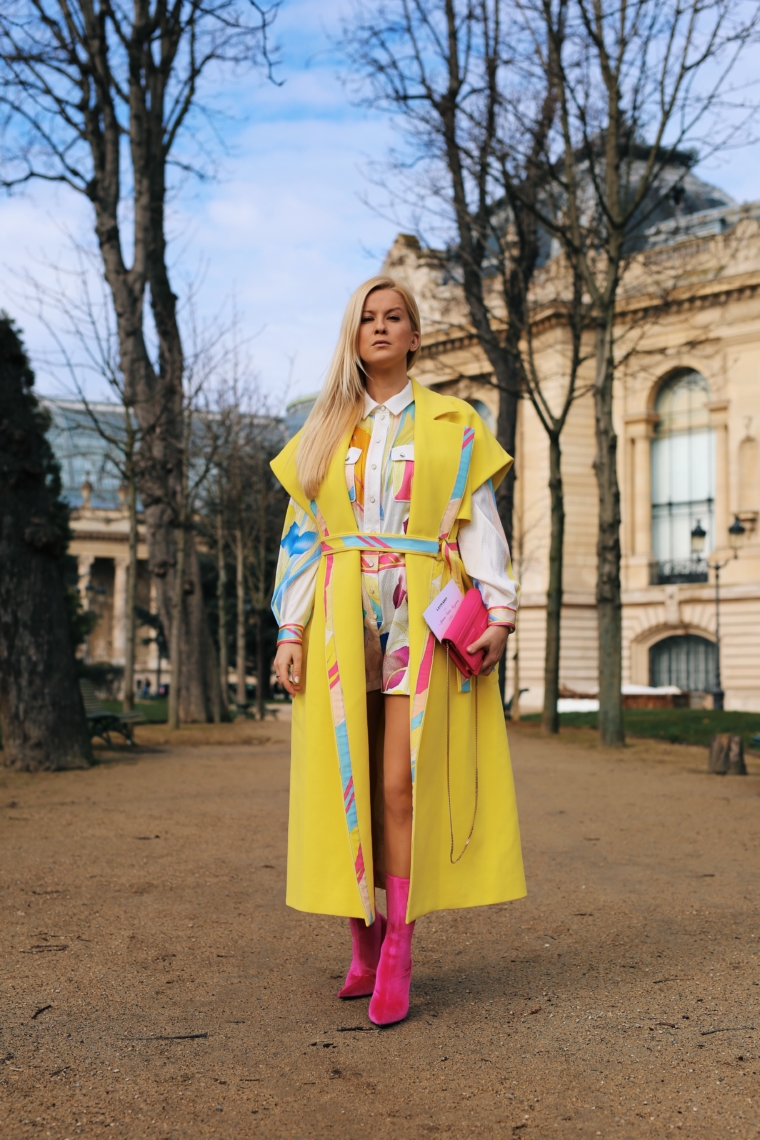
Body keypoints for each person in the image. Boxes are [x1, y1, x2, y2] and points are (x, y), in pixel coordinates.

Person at [271, 275, 525, 1026]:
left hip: (422, 609)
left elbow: (479, 525)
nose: (380, 328)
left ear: (416, 335)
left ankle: (400, 950)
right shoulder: (321, 429)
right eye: (367, 319)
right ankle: (362, 935)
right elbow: (300, 540)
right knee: (340, 779)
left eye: (395, 318)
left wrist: (501, 614)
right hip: (339, 614)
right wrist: (288, 629)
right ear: (353, 335)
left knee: (400, 785)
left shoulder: (456, 423)